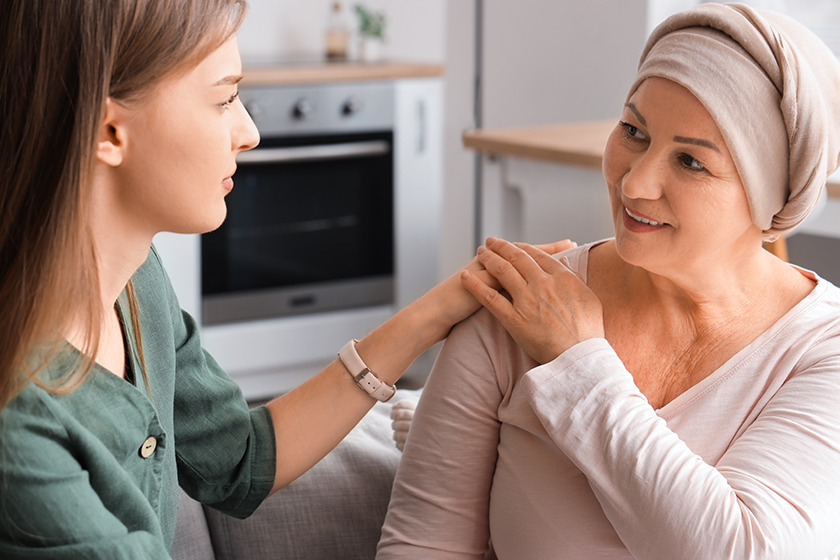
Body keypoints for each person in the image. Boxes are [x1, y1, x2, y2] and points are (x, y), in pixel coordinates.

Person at [0, 1, 574, 557]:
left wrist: (439, 309)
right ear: (109, 131)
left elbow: (240, 458)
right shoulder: (19, 423)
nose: (248, 132)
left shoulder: (133, 284)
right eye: (224, 99)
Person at [377, 4, 840, 559]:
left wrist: (579, 363)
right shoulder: (522, 304)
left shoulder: (822, 349)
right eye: (633, 131)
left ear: (769, 200)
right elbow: (423, 547)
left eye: (691, 162)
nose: (636, 183)